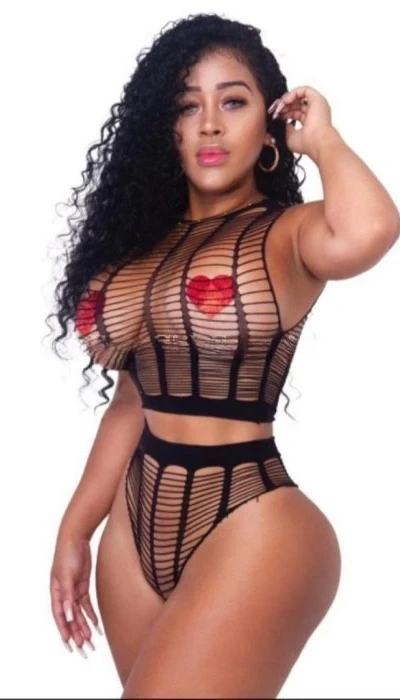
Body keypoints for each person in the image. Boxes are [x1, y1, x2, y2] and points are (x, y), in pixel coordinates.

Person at [47, 13, 399, 699]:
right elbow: (132, 402)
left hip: (254, 519)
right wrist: (74, 530)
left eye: (233, 102)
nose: (209, 124)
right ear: (167, 127)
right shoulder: (137, 251)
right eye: (188, 106)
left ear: (268, 125)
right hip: (133, 531)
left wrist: (320, 138)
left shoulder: (288, 234)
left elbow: (371, 228)